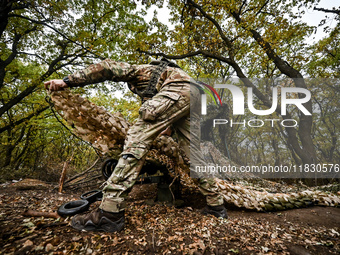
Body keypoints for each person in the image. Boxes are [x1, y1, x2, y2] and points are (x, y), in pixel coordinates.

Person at [44, 58, 227, 233]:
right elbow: (171, 108)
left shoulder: (140, 70)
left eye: (133, 87)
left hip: (178, 91)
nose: (134, 89)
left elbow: (107, 67)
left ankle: (109, 212)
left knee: (136, 138)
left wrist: (68, 81)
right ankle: (216, 205)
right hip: (195, 95)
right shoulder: (167, 78)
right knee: (193, 154)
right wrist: (167, 128)